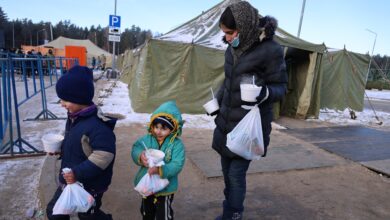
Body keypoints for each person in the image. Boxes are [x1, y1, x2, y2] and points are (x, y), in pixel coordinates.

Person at [211, 1, 288, 219]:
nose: (226, 37)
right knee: (226, 173)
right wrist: (216, 102)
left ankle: (234, 214)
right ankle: (230, 209)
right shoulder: (231, 49)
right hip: (227, 123)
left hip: (248, 128)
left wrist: (264, 94)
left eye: (230, 32)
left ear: (244, 27)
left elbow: (281, 87)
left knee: (236, 176)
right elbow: (228, 82)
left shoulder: (270, 50)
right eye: (224, 33)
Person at [46, 65, 116, 220]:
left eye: (65, 99)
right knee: (54, 212)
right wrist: (60, 150)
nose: (62, 104)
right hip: (70, 179)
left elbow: (104, 155)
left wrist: (77, 173)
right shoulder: (74, 117)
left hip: (90, 184)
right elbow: (76, 143)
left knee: (88, 214)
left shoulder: (98, 126)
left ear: (80, 98)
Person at [131, 100, 185, 220]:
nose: (158, 131)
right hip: (147, 185)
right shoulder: (148, 139)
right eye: (156, 127)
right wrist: (140, 156)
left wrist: (161, 170)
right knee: (146, 212)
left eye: (164, 128)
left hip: (165, 188)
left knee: (163, 215)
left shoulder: (177, 145)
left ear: (173, 128)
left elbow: (177, 164)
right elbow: (136, 147)